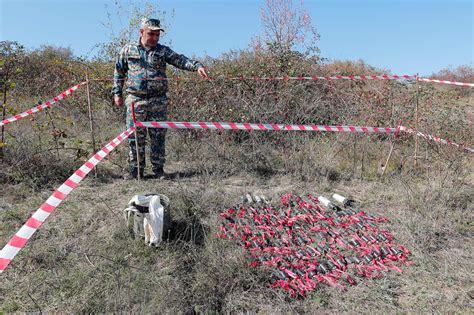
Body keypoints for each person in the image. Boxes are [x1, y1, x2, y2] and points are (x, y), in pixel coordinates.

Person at [112, 18, 208, 179]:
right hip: (136, 100)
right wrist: (117, 93)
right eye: (151, 34)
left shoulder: (163, 51)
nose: (155, 38)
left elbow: (181, 60)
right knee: (135, 136)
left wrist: (197, 66)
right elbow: (119, 72)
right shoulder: (128, 50)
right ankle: (136, 171)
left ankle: (158, 171)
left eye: (157, 34)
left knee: (158, 136)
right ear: (142, 32)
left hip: (158, 101)